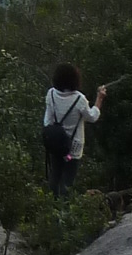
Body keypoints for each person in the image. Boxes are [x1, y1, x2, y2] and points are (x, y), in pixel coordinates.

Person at [42, 62, 106, 197]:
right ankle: (65, 210)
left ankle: (52, 208)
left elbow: (47, 121)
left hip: (56, 147)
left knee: (55, 176)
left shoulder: (51, 94)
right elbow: (92, 117)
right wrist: (99, 99)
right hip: (72, 150)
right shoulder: (79, 99)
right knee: (67, 180)